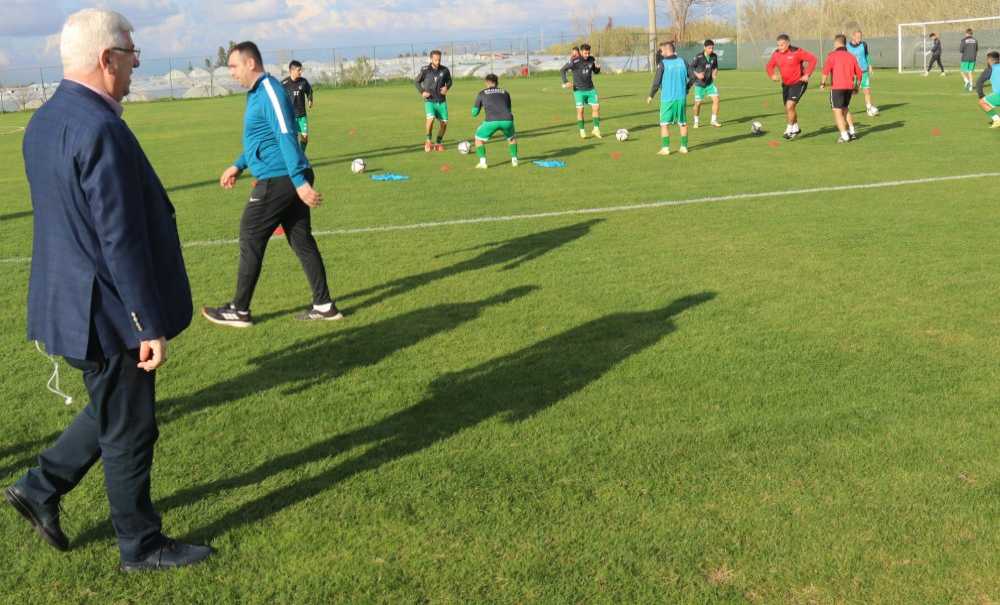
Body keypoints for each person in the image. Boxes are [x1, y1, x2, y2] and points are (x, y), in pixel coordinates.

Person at [8, 8, 212, 572]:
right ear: (106, 59)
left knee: (113, 406)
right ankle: (140, 546)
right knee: (130, 426)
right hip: (106, 308)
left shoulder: (46, 119)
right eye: (131, 56)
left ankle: (40, 485)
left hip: (69, 300)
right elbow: (118, 238)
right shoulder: (101, 127)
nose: (136, 67)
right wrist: (147, 323)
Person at [203, 42, 341, 327]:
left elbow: (285, 134)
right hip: (283, 177)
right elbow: (261, 139)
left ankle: (239, 310)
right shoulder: (256, 94)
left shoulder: (269, 91)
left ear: (251, 63)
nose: (231, 73)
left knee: (250, 233)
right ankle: (324, 305)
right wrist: (238, 165)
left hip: (280, 178)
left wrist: (300, 182)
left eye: (233, 66)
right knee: (301, 240)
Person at [765, 34, 818, 139]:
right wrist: (772, 75)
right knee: (789, 108)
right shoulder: (776, 54)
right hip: (786, 84)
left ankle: (789, 130)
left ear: (788, 43)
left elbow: (813, 59)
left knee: (790, 106)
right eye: (778, 45)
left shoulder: (797, 52)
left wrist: (807, 74)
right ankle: (796, 128)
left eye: (782, 45)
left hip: (799, 83)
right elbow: (769, 66)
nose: (780, 47)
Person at [647, 40, 691, 155]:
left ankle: (665, 148)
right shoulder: (683, 61)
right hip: (681, 98)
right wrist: (686, 88)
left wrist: (651, 95)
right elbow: (693, 77)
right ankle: (684, 147)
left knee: (664, 124)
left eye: (662, 51)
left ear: (667, 50)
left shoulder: (663, 64)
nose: (661, 53)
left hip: (667, 99)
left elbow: (656, 82)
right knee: (682, 122)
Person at [820, 34, 863, 143]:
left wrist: (822, 84)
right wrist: (856, 87)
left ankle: (844, 135)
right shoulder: (851, 56)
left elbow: (825, 71)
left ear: (836, 43)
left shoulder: (832, 56)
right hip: (849, 87)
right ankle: (852, 132)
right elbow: (859, 73)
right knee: (845, 108)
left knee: (837, 111)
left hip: (837, 87)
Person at [471, 73, 518, 169]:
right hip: (507, 120)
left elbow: (474, 113)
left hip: (491, 121)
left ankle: (483, 162)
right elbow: (508, 108)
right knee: (511, 138)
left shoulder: (482, 93)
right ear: (497, 83)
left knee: (478, 139)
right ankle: (514, 160)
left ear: (486, 83)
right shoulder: (505, 92)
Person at [561, 43, 602, 138]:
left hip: (590, 89)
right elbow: (562, 70)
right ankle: (582, 131)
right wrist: (565, 81)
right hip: (579, 90)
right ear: (581, 52)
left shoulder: (592, 59)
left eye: (588, 53)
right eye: (585, 53)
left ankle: (596, 129)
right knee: (580, 110)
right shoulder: (575, 61)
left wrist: (598, 68)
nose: (587, 55)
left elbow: (595, 71)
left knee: (596, 108)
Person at [414, 50, 453, 152]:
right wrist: (422, 92)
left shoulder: (445, 70)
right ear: (431, 59)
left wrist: (446, 88)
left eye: (439, 59)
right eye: (436, 60)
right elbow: (416, 82)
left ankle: (438, 143)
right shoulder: (425, 70)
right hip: (430, 100)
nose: (438, 61)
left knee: (444, 123)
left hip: (441, 101)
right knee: (430, 119)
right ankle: (428, 141)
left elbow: (449, 81)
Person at [281, 60, 313, 151]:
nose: (300, 72)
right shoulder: (284, 84)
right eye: (299, 70)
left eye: (301, 70)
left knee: (304, 137)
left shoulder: (303, 82)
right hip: (289, 116)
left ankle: (301, 155)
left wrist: (310, 100)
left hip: (302, 115)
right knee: (293, 138)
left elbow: (309, 91)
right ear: (292, 70)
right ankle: (295, 157)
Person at [691, 39, 722, 128]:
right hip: (699, 85)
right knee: (698, 104)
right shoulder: (698, 57)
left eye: (712, 48)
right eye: (709, 48)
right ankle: (696, 121)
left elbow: (715, 67)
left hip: (709, 84)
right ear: (704, 47)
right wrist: (697, 74)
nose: (711, 50)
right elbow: (691, 68)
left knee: (716, 100)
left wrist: (714, 74)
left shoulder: (714, 56)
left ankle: (713, 120)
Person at [847, 30, 875, 114]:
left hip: (864, 71)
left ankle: (869, 108)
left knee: (867, 90)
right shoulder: (847, 46)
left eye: (860, 37)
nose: (859, 39)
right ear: (853, 36)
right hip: (852, 73)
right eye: (858, 37)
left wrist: (870, 66)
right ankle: (846, 107)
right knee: (851, 92)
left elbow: (867, 55)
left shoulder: (864, 45)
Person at [975, 51, 1000, 128]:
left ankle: (997, 120)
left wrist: (981, 95)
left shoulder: (990, 69)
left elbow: (979, 82)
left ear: (990, 60)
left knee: (982, 102)